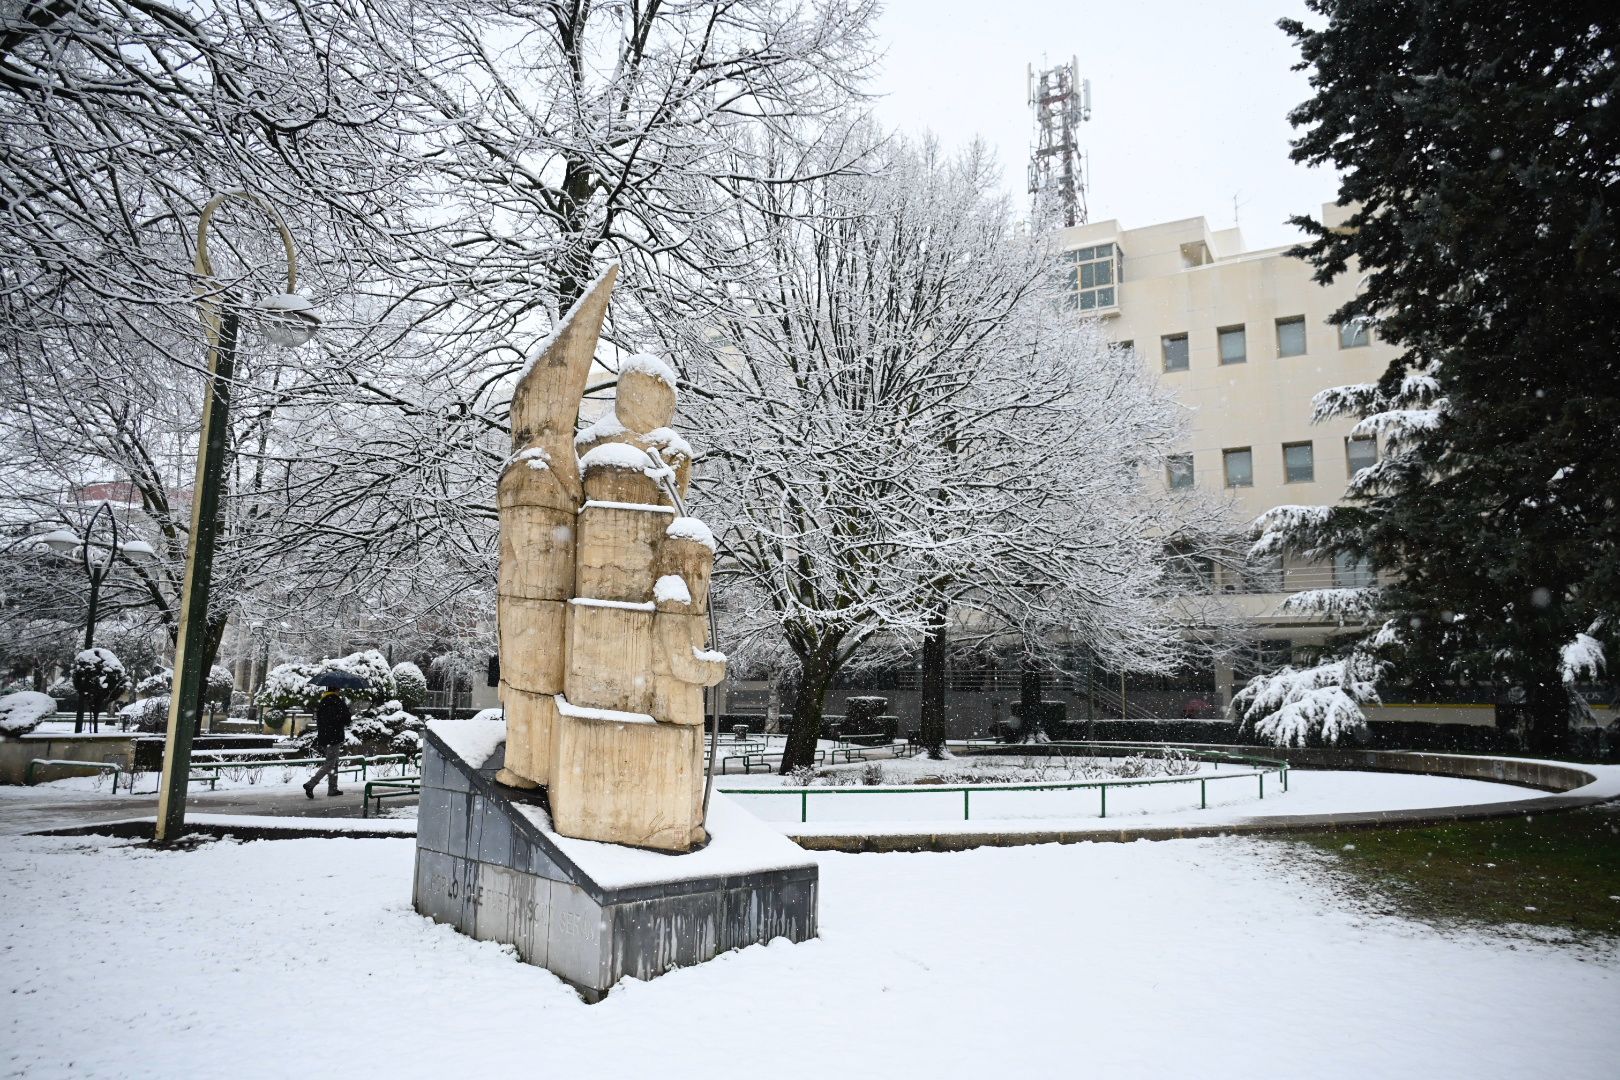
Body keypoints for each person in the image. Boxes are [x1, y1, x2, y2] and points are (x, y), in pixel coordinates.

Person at [302, 689, 352, 798]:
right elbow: (346, 719)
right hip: (334, 737)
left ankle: (332, 789)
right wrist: (346, 712)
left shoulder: (323, 702)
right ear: (337, 690)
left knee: (334, 762)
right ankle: (311, 784)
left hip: (324, 737)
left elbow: (322, 720)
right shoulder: (337, 702)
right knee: (330, 763)